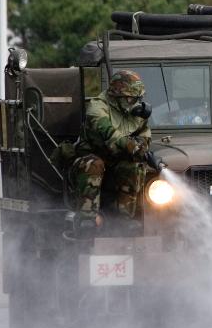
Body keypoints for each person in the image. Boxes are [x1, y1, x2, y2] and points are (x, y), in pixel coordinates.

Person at [65, 69, 152, 233]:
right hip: (88, 160)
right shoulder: (97, 108)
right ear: (116, 97)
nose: (134, 102)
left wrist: (141, 147)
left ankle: (124, 220)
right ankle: (87, 218)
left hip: (116, 162)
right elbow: (109, 133)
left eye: (137, 98)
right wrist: (132, 147)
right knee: (94, 164)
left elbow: (145, 136)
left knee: (134, 167)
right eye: (130, 98)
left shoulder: (135, 112)